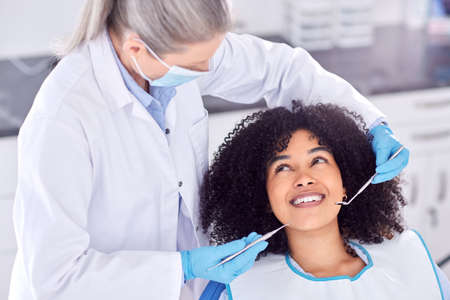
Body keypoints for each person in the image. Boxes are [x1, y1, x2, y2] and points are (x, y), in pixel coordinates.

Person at [9, 0, 409, 299]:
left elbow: (284, 70)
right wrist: (180, 269)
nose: (207, 72)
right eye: (196, 65)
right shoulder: (63, 120)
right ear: (137, 50)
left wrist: (370, 123)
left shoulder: (172, 55)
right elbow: (55, 278)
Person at [198, 102, 449, 300]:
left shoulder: (413, 262)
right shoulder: (237, 289)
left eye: (318, 161)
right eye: (283, 167)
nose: (304, 178)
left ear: (346, 184)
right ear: (263, 197)